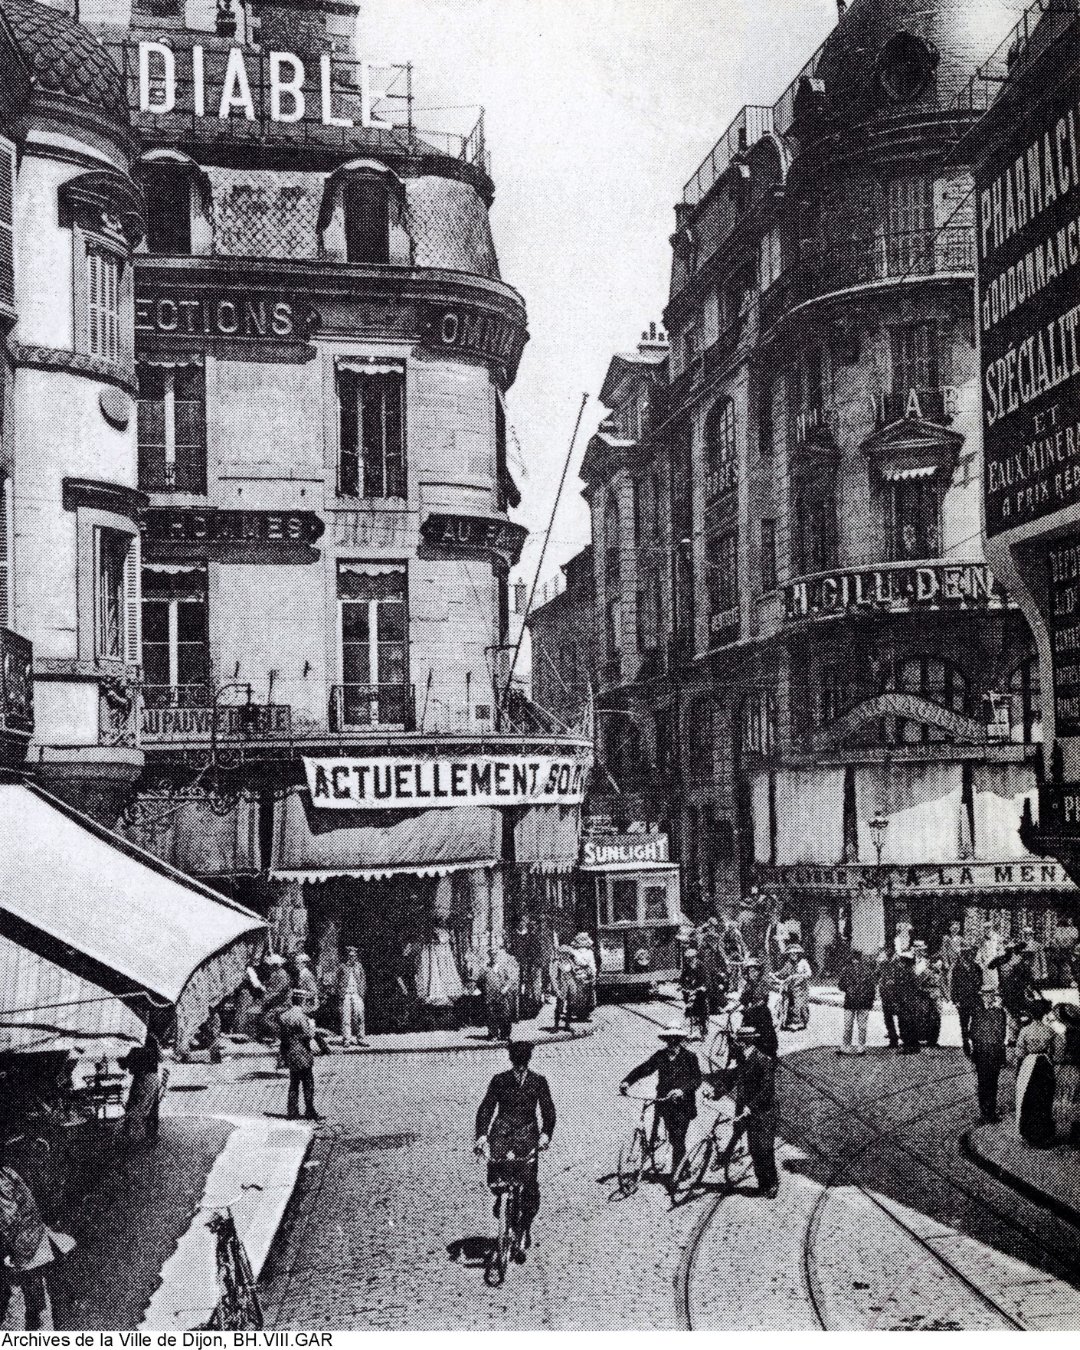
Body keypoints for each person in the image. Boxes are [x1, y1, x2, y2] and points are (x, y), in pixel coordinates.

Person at [475, 1039, 555, 1258]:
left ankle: (524, 1227)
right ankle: (503, 1209)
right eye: (516, 1062)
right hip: (501, 1133)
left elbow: (548, 1111)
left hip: (528, 1136)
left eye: (523, 1062)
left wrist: (545, 1134)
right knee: (498, 1179)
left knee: (529, 1185)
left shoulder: (538, 1081)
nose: (519, 1067)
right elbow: (486, 1108)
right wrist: (482, 1136)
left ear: (528, 1061)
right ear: (511, 1060)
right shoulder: (499, 1080)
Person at [0, 1153, 74, 1330]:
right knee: (38, 1293)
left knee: (27, 1299)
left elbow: (8, 1220)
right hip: (33, 1236)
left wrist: (9, 1253)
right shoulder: (6, 1172)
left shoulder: (1, 1181)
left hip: (25, 1244)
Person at [620, 1027, 702, 1179]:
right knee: (674, 1137)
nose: (672, 1042)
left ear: (680, 1040)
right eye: (669, 1039)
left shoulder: (690, 1057)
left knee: (678, 1136)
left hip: (684, 1105)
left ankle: (676, 1174)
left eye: (675, 1039)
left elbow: (697, 1080)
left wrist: (681, 1090)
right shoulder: (661, 1056)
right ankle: (685, 1166)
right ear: (665, 1040)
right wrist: (627, 1081)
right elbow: (644, 1069)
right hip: (665, 1103)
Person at [723, 1023, 779, 1198]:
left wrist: (751, 1106)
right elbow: (730, 1079)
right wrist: (715, 1093)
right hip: (748, 1111)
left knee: (765, 1148)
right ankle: (762, 1183)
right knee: (754, 1149)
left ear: (746, 1042)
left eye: (739, 1041)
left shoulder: (763, 1060)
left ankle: (772, 1183)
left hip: (764, 1113)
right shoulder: (742, 1059)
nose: (736, 1044)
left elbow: (767, 1090)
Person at [1014, 1002, 1059, 1147]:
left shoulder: (1025, 1030)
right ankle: (1044, 1133)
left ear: (1031, 1014)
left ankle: (1030, 1133)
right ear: (1044, 1014)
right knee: (1044, 1098)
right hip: (1045, 1065)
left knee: (1028, 1098)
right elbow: (1055, 1053)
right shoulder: (1050, 1031)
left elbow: (1019, 1053)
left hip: (1029, 1064)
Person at [279, 989, 328, 1121]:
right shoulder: (302, 1017)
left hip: (290, 1052)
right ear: (302, 1000)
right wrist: (312, 1026)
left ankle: (292, 1111)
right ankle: (310, 1110)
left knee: (293, 1083)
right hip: (303, 1052)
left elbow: (283, 1038)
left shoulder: (284, 1016)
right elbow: (309, 1035)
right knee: (308, 1082)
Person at [969, 983, 1007, 1123]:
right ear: (982, 997)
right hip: (981, 1053)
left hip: (994, 1052)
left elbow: (1001, 1034)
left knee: (992, 1083)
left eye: (990, 995)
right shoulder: (977, 1012)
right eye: (985, 995)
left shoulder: (999, 1012)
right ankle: (984, 1113)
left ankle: (990, 1112)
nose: (987, 998)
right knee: (982, 1083)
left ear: (993, 997)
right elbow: (973, 1032)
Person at [119, 1032, 163, 1144]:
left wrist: (122, 1060)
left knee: (134, 1105)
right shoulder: (152, 1039)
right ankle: (150, 1134)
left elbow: (125, 1064)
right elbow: (160, 1058)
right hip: (153, 1078)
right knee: (148, 1108)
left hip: (143, 1079)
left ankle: (132, 1135)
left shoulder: (138, 1044)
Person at [837, 949, 876, 1054]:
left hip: (860, 1002)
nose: (855, 961)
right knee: (852, 1026)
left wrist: (870, 1001)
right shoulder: (847, 970)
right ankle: (851, 1047)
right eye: (854, 959)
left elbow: (872, 987)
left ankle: (856, 1047)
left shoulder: (865, 971)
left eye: (857, 958)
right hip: (854, 1002)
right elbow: (840, 985)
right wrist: (848, 988)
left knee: (856, 1026)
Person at [950, 944, 982, 1057]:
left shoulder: (976, 967)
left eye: (970, 954)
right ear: (962, 955)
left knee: (975, 1023)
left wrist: (979, 991)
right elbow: (953, 985)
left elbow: (981, 981)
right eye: (965, 954)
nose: (969, 956)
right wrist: (955, 999)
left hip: (974, 999)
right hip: (962, 1000)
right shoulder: (957, 968)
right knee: (963, 1024)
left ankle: (975, 1043)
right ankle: (965, 1043)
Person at [479, 945, 516, 1041]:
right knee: (491, 1015)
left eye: (496, 955)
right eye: (492, 955)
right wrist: (484, 991)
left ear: (498, 956)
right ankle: (493, 1034)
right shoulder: (485, 968)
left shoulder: (504, 967)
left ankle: (505, 1034)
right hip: (490, 995)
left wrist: (506, 987)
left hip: (502, 995)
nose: (494, 957)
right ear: (489, 956)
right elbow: (479, 982)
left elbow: (511, 979)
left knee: (505, 1015)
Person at [336, 948, 368, 1048]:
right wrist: (340, 992)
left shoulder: (359, 966)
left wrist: (362, 992)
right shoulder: (342, 966)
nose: (352, 958)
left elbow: (363, 979)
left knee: (359, 1016)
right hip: (346, 994)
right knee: (346, 1017)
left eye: (354, 956)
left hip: (356, 994)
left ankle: (361, 1038)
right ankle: (346, 1039)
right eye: (350, 956)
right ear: (347, 956)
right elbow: (337, 980)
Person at [893, 949, 922, 1054]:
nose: (900, 962)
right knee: (910, 1024)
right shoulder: (910, 972)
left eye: (902, 960)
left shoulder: (906, 972)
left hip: (905, 1002)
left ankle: (909, 1046)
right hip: (909, 1002)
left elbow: (906, 988)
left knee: (905, 1024)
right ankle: (912, 1045)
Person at [780, 943, 811, 1031]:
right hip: (791, 987)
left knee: (801, 1006)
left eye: (795, 953)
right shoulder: (788, 964)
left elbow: (809, 973)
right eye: (791, 954)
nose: (793, 955)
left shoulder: (803, 962)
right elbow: (782, 973)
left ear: (798, 954)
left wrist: (799, 976)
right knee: (788, 1004)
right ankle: (788, 1022)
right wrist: (775, 975)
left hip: (801, 988)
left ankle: (804, 1022)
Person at [549, 941, 577, 1032]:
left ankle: (567, 1025)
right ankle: (556, 1026)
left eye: (567, 953)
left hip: (571, 984)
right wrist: (556, 989)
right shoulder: (556, 963)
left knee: (571, 1005)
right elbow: (553, 977)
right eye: (563, 953)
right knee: (559, 1005)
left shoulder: (571, 962)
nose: (565, 955)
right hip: (562, 985)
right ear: (560, 954)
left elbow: (575, 973)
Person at [569, 934, 597, 1022]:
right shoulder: (588, 952)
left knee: (582, 994)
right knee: (584, 994)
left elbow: (572, 963)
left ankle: (582, 1013)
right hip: (582, 974)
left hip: (581, 974)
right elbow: (592, 964)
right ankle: (583, 1014)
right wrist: (593, 973)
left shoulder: (574, 952)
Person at [877, 947, 900, 1050]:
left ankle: (905, 1038)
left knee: (901, 1018)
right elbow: (877, 975)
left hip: (897, 995)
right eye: (887, 949)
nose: (888, 951)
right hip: (885, 995)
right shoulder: (883, 963)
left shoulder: (899, 962)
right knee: (888, 1018)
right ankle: (893, 1038)